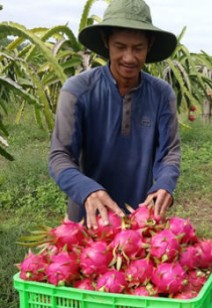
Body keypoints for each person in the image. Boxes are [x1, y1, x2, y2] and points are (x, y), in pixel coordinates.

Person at [48, 0, 180, 229]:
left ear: (150, 45)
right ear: (105, 42)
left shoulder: (161, 94)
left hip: (139, 221)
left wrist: (165, 183)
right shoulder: (77, 91)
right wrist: (86, 190)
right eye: (120, 46)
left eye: (138, 48)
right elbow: (60, 155)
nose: (129, 58)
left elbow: (168, 152)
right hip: (86, 221)